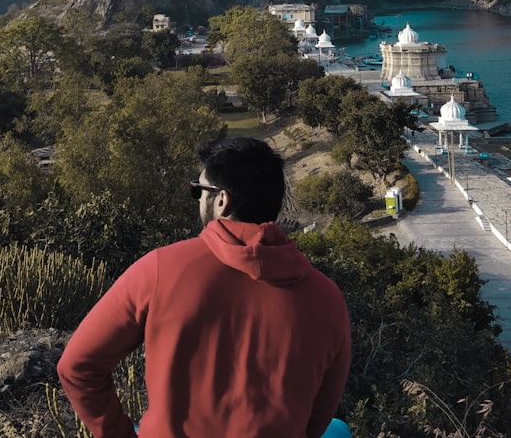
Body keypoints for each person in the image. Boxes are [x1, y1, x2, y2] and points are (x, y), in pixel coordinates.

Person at [57, 136, 352, 437]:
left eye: (198, 191)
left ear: (221, 200)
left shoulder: (160, 270)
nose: (197, 199)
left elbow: (77, 366)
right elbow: (317, 419)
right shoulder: (328, 299)